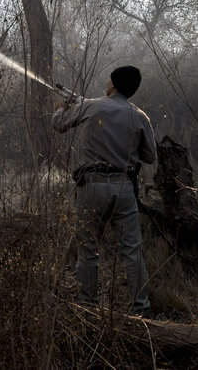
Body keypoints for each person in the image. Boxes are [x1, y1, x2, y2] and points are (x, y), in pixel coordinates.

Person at [52, 65, 156, 314]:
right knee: (132, 250)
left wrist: (62, 107)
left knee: (87, 248)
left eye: (108, 79)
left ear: (113, 84)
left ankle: (86, 308)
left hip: (92, 187)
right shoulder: (140, 116)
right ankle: (141, 310)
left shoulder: (92, 106)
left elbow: (59, 125)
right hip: (124, 188)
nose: (106, 82)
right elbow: (150, 156)